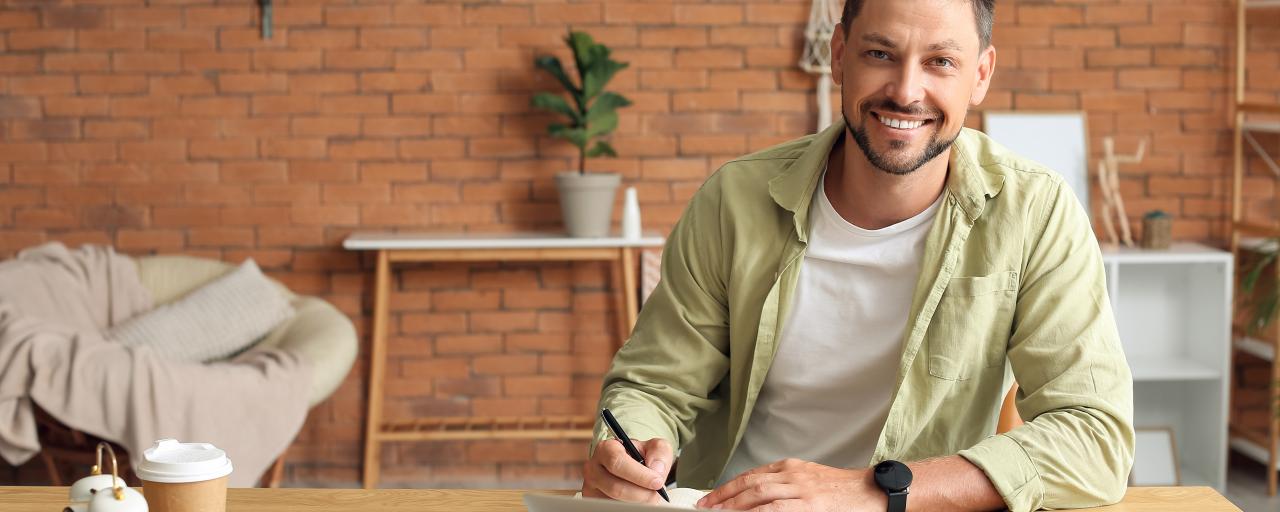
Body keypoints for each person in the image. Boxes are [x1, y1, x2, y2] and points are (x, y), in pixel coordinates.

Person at [581, 0, 1134, 510]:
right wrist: (630, 455)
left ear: (981, 75)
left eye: (940, 61)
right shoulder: (733, 200)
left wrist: (874, 491)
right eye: (880, 54)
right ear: (839, 55)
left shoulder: (1035, 211)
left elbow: (1095, 437)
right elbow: (652, 385)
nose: (906, 90)